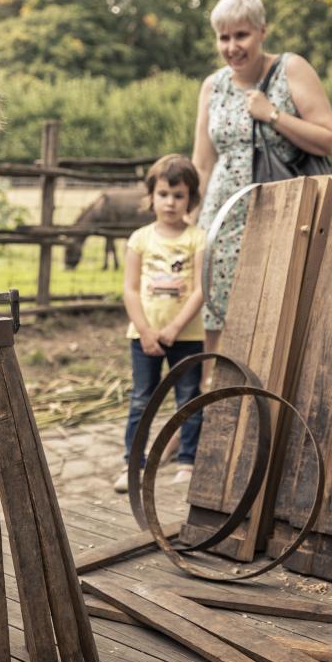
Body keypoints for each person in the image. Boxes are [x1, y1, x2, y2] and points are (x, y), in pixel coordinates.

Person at [192, 0, 332, 352]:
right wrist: (191, 229)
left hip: (283, 212)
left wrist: (272, 115)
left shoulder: (290, 69)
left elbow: (329, 139)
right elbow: (202, 162)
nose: (231, 47)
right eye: (223, 37)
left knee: (282, 313)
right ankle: (221, 402)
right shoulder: (213, 86)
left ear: (262, 31)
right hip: (223, 216)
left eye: (240, 35)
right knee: (217, 313)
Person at [114, 154, 206, 493]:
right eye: (164, 194)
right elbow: (130, 288)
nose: (170, 202)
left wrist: (174, 329)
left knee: (188, 398)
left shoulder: (198, 239)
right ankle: (132, 464)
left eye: (179, 195)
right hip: (145, 337)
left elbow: (199, 290)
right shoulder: (140, 239)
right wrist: (146, 331)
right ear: (151, 196)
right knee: (141, 400)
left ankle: (187, 461)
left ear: (191, 199)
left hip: (186, 336)